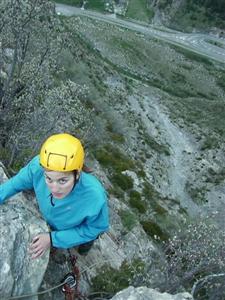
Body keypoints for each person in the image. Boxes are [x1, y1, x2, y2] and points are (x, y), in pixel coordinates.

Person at [0, 133, 109, 259]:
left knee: (85, 243)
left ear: (77, 174)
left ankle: (84, 248)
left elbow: (94, 228)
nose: (54, 188)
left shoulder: (94, 196)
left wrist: (52, 239)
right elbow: (14, 184)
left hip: (75, 226)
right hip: (54, 220)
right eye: (48, 179)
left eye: (63, 180)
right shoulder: (38, 167)